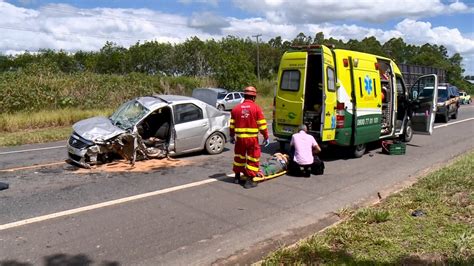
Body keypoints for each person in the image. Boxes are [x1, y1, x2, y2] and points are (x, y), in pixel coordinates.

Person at [230, 86, 269, 189]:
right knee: (253, 158)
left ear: (244, 96)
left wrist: (231, 136)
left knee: (239, 157)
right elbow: (262, 125)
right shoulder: (256, 108)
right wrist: (266, 136)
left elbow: (232, 125)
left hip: (240, 139)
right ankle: (249, 180)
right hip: (252, 139)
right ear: (253, 97)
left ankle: (237, 177)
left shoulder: (235, 109)